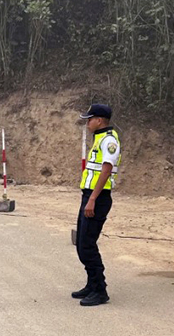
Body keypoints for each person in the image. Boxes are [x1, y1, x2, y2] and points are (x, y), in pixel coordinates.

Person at [72, 103, 121, 306]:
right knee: (82, 245)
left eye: (89, 119)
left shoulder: (109, 140)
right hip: (89, 196)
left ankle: (100, 290)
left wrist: (92, 199)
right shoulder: (99, 138)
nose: (87, 123)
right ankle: (91, 284)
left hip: (98, 198)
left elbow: (106, 170)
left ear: (99, 120)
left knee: (87, 244)